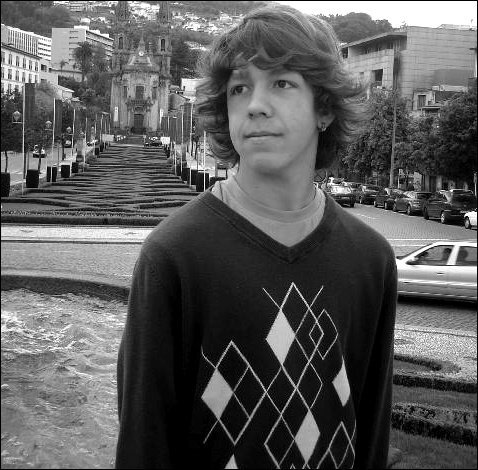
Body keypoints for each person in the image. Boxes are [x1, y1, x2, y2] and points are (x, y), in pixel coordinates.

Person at [116, 5, 397, 469]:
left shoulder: (370, 260)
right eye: (239, 88)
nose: (255, 104)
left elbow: (370, 436)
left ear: (325, 107)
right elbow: (144, 446)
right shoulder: (175, 255)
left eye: (281, 83)